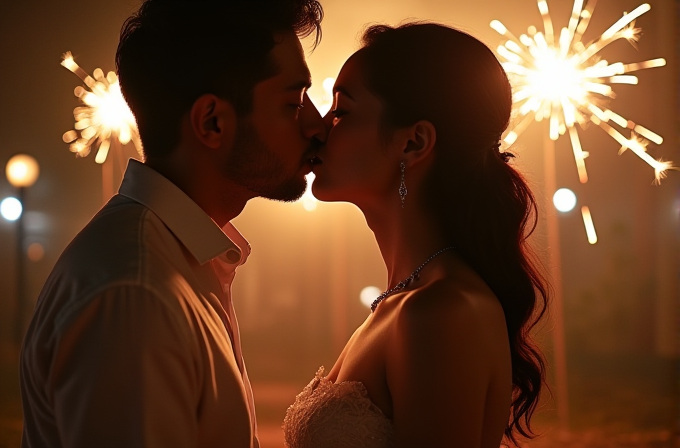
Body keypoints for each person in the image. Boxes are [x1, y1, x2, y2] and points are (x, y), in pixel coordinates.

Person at [20, 1, 325, 447]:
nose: (316, 124)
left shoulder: (176, 262)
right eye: (293, 102)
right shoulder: (136, 293)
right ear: (212, 122)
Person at [283, 22, 549, 448]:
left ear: (413, 143)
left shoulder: (443, 312)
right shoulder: (402, 301)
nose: (319, 128)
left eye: (342, 111)